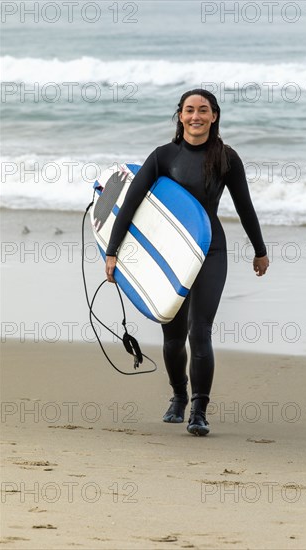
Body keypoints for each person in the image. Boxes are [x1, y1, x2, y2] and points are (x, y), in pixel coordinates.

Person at [105, 89, 269, 436]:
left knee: (200, 331)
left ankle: (199, 410)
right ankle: (178, 395)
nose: (196, 116)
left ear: (214, 116)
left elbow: (244, 206)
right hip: (171, 255)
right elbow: (130, 202)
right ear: (180, 116)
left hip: (210, 251)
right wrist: (112, 251)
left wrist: (259, 249)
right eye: (189, 110)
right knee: (173, 335)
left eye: (203, 110)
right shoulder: (163, 156)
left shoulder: (227, 158)